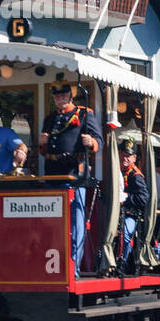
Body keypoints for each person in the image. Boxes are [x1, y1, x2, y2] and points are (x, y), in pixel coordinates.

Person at [39, 82, 102, 272]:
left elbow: (99, 141)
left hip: (74, 175)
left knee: (76, 225)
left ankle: (72, 267)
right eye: (57, 96)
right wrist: (42, 144)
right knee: (52, 224)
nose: (60, 99)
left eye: (63, 95)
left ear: (70, 96)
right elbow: (45, 150)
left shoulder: (84, 114)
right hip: (52, 175)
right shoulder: (50, 119)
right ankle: (53, 266)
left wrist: (91, 142)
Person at [116, 138, 150, 269]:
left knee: (125, 235)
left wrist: (126, 197)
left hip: (131, 215)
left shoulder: (135, 176)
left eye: (128, 156)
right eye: (123, 155)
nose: (125, 158)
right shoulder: (116, 171)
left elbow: (143, 198)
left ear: (134, 158)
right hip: (117, 214)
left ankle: (122, 262)